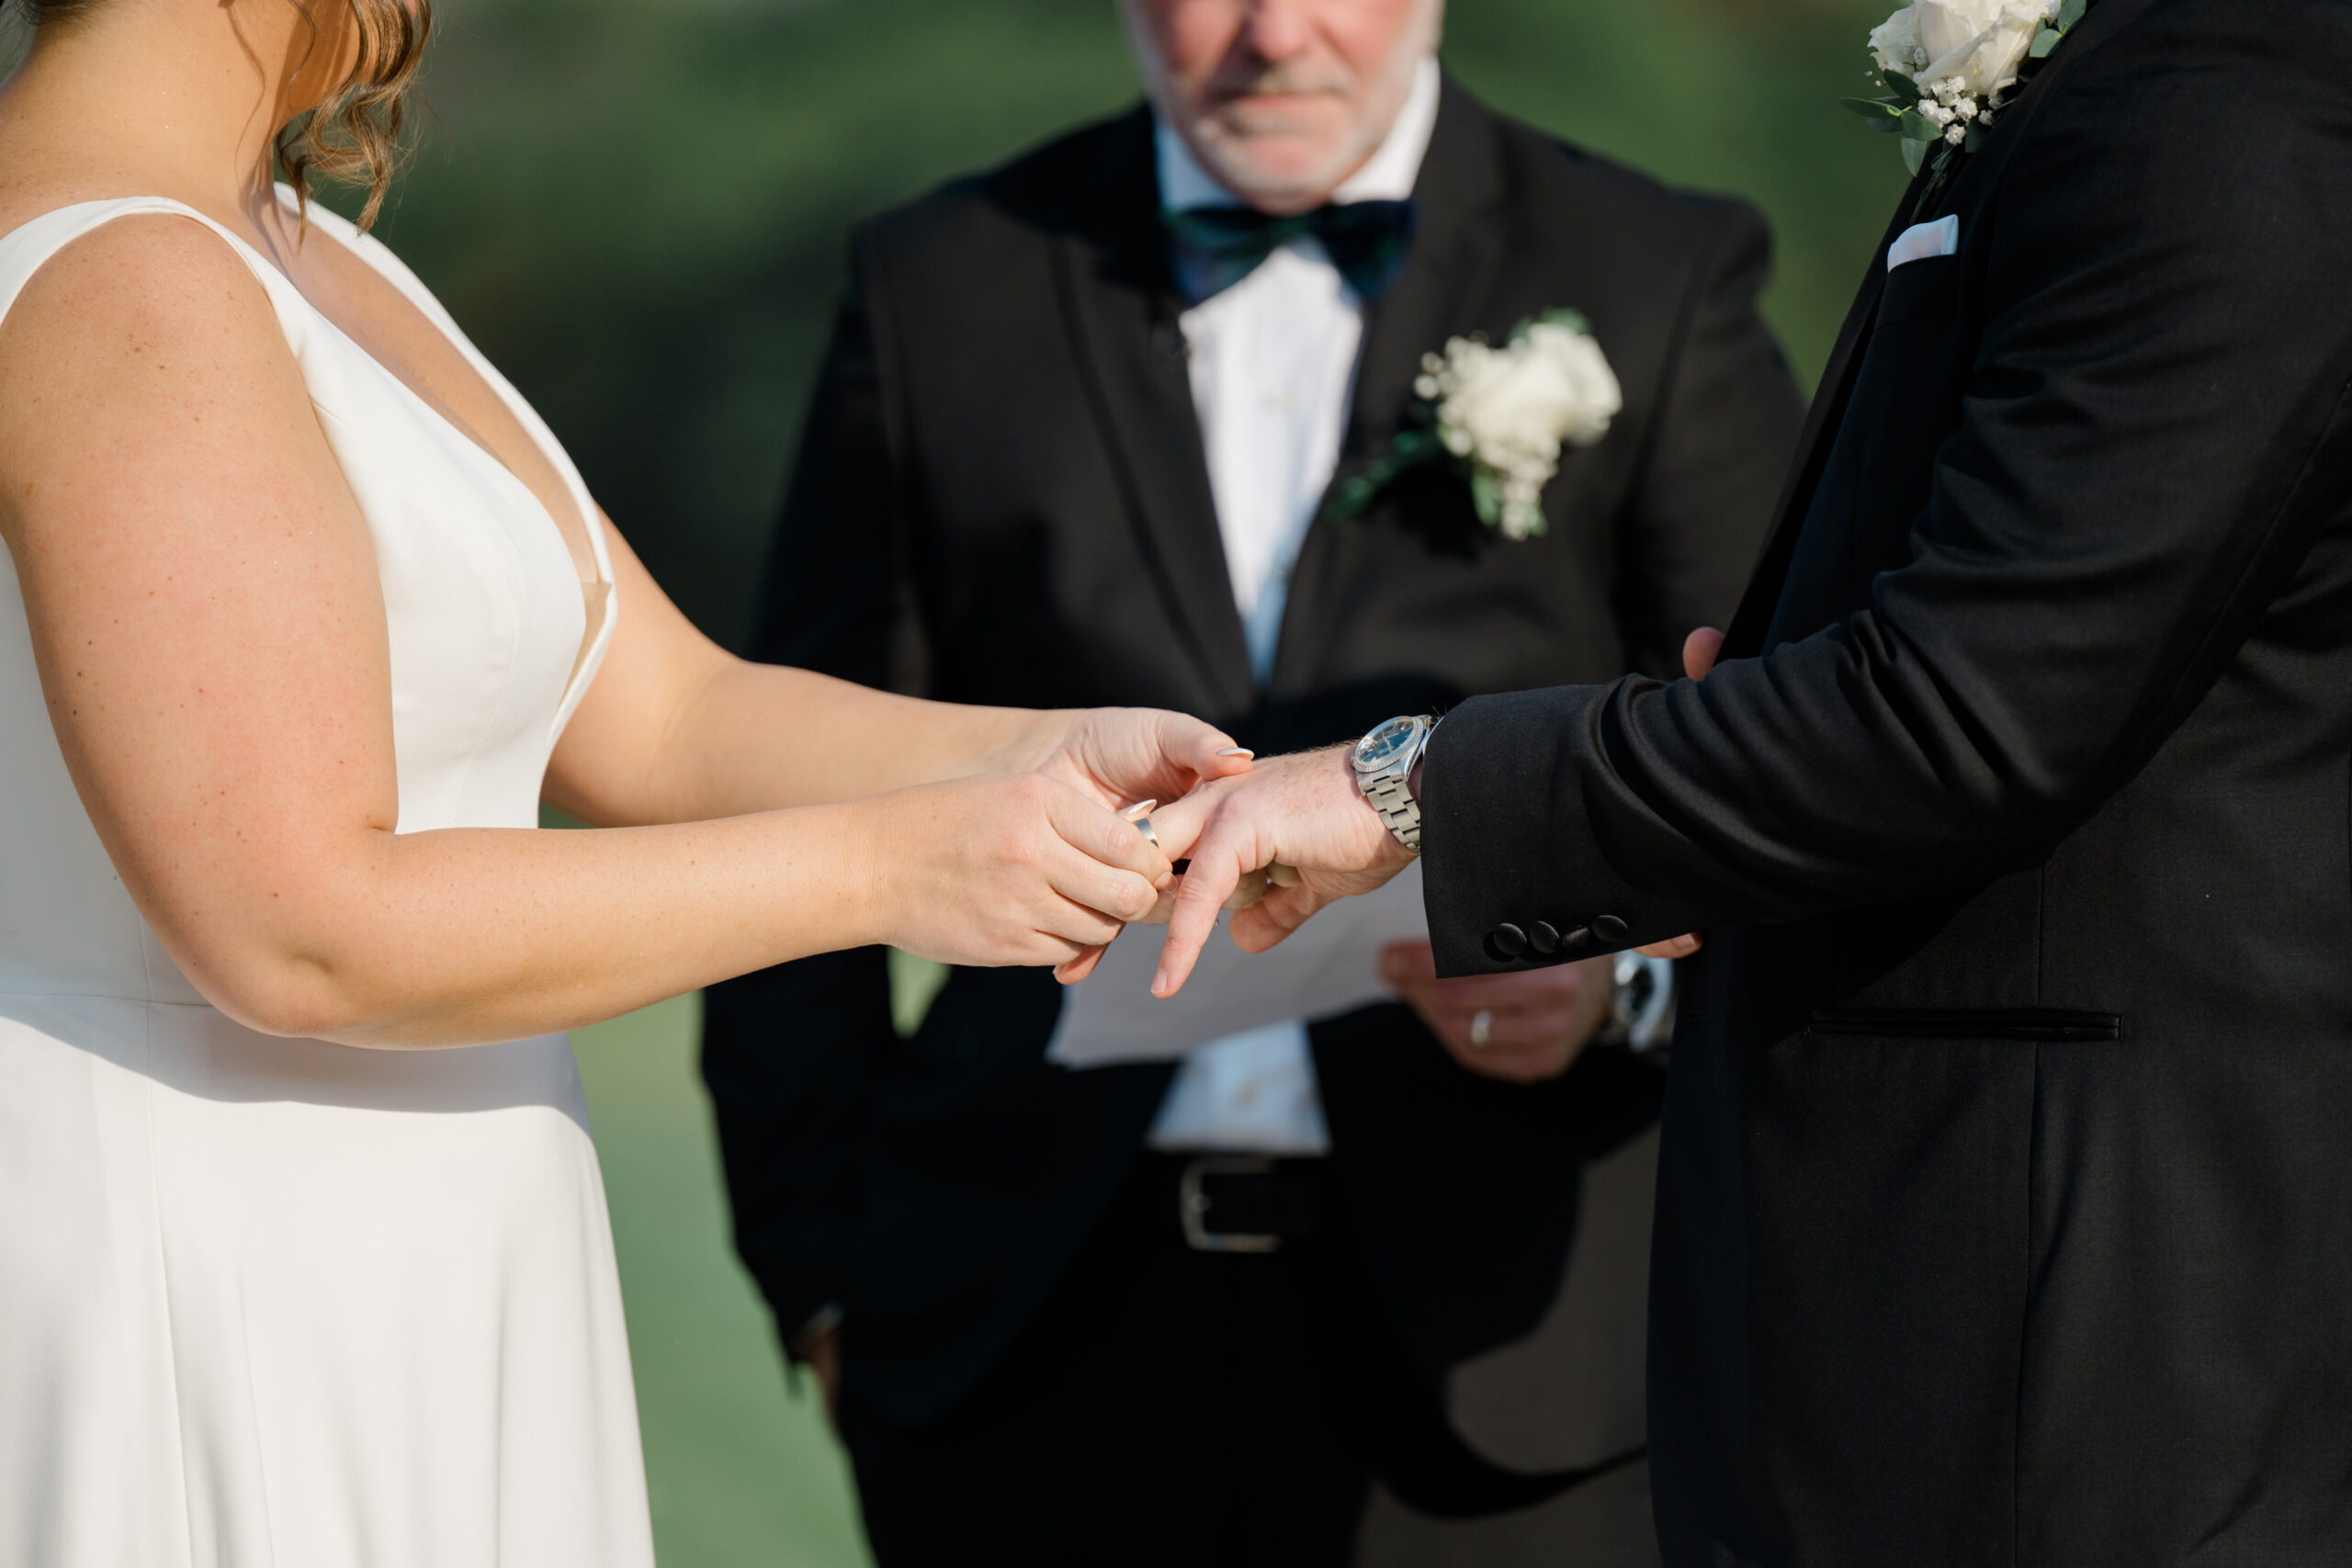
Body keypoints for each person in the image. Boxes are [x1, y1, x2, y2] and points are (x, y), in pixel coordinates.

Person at [0, 1, 1251, 1562]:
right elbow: (294, 921)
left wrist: (1046, 753)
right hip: (230, 1263)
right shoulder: (128, 281)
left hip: (431, 1250)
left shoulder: (301, 253)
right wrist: (896, 871)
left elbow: (669, 717)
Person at [1148, 0, 2352, 1563]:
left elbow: (1966, 716)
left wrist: (1412, 790)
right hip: (1927, 1329)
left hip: (2078, 1351)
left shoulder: (2230, 102)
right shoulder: (2133, 75)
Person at [701, 0, 1800, 1562]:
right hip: (1021, 1333)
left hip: (1516, 1364)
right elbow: (789, 763)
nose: (1275, 34)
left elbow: (1768, 768)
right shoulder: (940, 280)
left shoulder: (1654, 268)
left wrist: (1615, 988)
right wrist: (819, 1280)